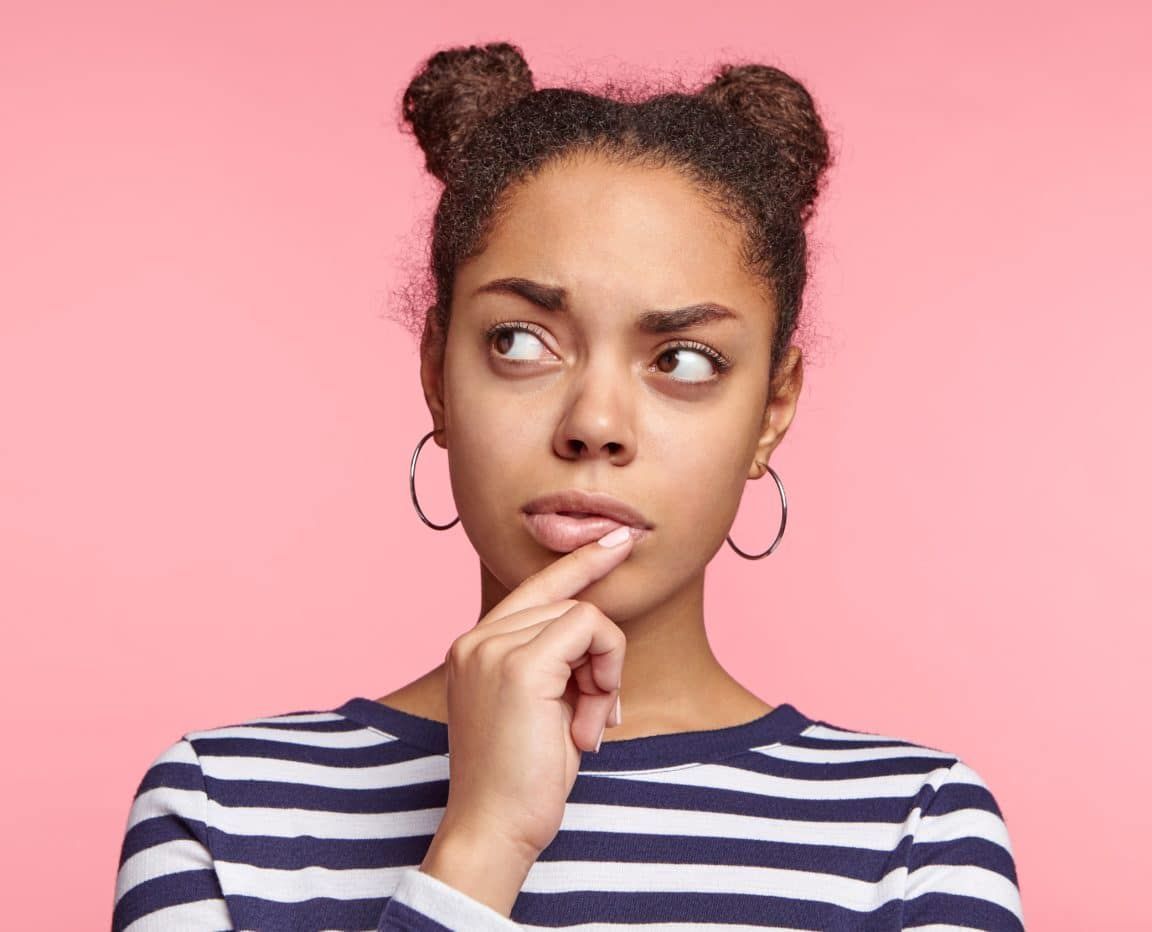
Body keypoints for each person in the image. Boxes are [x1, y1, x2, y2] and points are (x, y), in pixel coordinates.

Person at [111, 41, 1024, 931]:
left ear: (773, 410)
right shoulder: (223, 807)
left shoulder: (912, 832)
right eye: (519, 342)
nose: (595, 423)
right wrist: (481, 844)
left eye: (684, 359)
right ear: (436, 370)